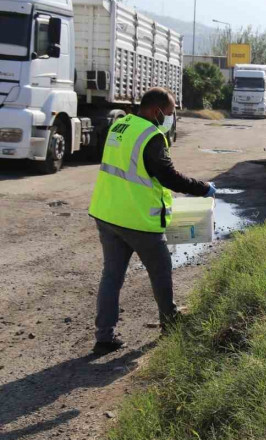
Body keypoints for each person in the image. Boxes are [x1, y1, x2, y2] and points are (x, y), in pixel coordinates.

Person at [88, 87, 216, 355]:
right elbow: (168, 176)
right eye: (168, 113)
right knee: (161, 270)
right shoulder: (151, 136)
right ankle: (169, 322)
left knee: (111, 276)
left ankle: (104, 336)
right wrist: (202, 188)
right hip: (138, 220)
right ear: (156, 111)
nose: (169, 119)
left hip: (107, 214)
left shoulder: (120, 126)